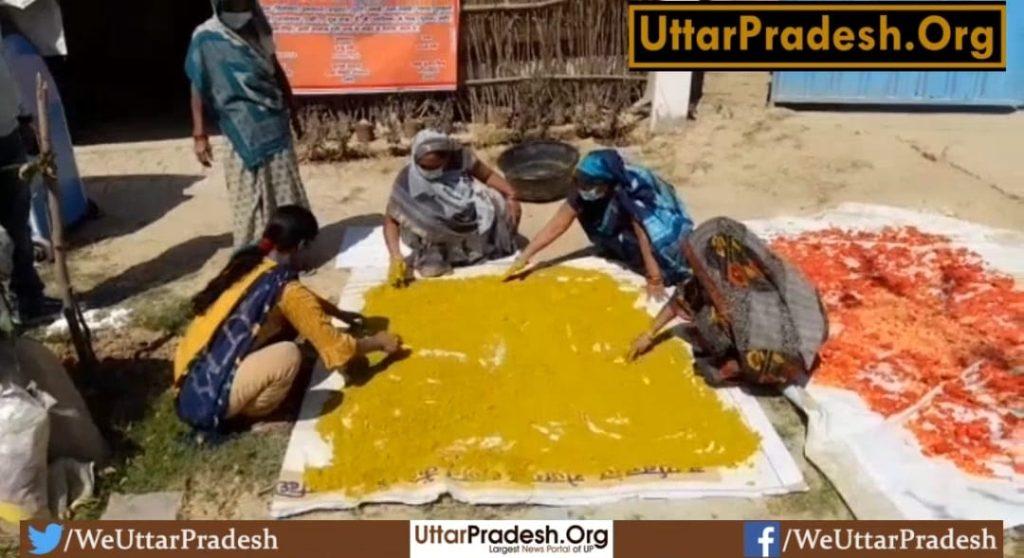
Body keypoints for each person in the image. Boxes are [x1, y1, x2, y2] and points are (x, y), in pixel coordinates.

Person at [174, 206, 403, 432]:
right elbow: (338, 349)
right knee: (289, 354)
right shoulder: (286, 289)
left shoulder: (248, 262)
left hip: (189, 377)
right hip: (208, 402)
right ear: (302, 245)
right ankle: (252, 413)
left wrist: (339, 313)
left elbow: (301, 299)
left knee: (286, 332)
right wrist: (379, 342)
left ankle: (243, 390)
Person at [626, 217, 828, 387]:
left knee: (736, 350)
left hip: (789, 349)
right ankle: (736, 353)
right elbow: (681, 297)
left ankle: (740, 364)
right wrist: (650, 333)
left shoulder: (754, 298)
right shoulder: (725, 277)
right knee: (704, 299)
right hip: (752, 327)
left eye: (700, 263)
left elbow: (779, 358)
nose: (696, 268)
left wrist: (732, 368)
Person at [185, 0, 309, 248]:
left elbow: (275, 68)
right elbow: (198, 83)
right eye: (233, 3)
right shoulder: (207, 37)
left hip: (274, 122)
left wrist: (292, 107)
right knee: (248, 194)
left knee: (284, 191)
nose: (239, 10)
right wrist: (200, 134)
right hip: (240, 129)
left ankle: (288, 247)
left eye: (244, 3)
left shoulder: (260, 29)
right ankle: (252, 253)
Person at [506, 149, 693, 300]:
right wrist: (525, 256)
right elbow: (557, 225)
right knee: (605, 226)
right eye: (581, 184)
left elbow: (644, 233)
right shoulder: (581, 189)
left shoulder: (628, 191)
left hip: (651, 224)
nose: (584, 190)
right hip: (622, 226)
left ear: (608, 183)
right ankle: (619, 248)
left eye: (590, 186)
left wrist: (655, 279)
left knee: (662, 250)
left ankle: (657, 263)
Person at [384, 129, 521, 284]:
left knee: (498, 202)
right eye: (426, 167)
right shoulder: (406, 179)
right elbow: (391, 220)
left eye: (437, 167)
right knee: (431, 267)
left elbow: (487, 175)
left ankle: (474, 250)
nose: (432, 172)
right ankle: (435, 252)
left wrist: (511, 195)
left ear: (447, 158)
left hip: (467, 226)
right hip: (429, 236)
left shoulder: (460, 158)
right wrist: (395, 255)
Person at [0, 23, 59, 323]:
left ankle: (28, 300)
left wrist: (23, 119)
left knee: (18, 222)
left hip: (6, 131)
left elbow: (4, 75)